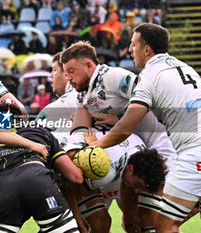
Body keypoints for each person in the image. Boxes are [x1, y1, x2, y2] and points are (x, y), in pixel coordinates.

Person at [86, 23, 201, 233]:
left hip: (194, 153)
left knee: (164, 225)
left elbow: (124, 129)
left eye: (133, 44)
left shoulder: (149, 76)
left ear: (146, 49)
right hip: (192, 150)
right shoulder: (185, 68)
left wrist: (96, 145)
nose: (130, 49)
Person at [61, 40, 178, 232]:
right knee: (132, 223)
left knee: (155, 223)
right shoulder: (84, 94)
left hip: (161, 147)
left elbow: (150, 96)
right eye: (65, 72)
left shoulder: (112, 76)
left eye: (71, 70)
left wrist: (118, 119)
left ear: (89, 65)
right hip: (137, 152)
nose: (68, 77)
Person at [0, 99, 83, 232]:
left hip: (4, 189)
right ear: (21, 118)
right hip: (38, 181)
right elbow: (76, 177)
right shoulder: (40, 131)